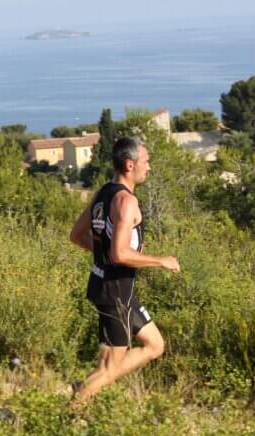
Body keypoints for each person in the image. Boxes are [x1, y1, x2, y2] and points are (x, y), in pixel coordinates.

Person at [68, 137, 180, 404]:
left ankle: (88, 386)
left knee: (155, 345)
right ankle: (72, 410)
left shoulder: (103, 193)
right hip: (115, 292)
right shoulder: (125, 202)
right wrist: (160, 260)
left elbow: (76, 235)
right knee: (109, 368)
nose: (149, 167)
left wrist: (103, 256)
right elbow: (120, 253)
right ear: (130, 165)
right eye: (146, 161)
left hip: (112, 288)